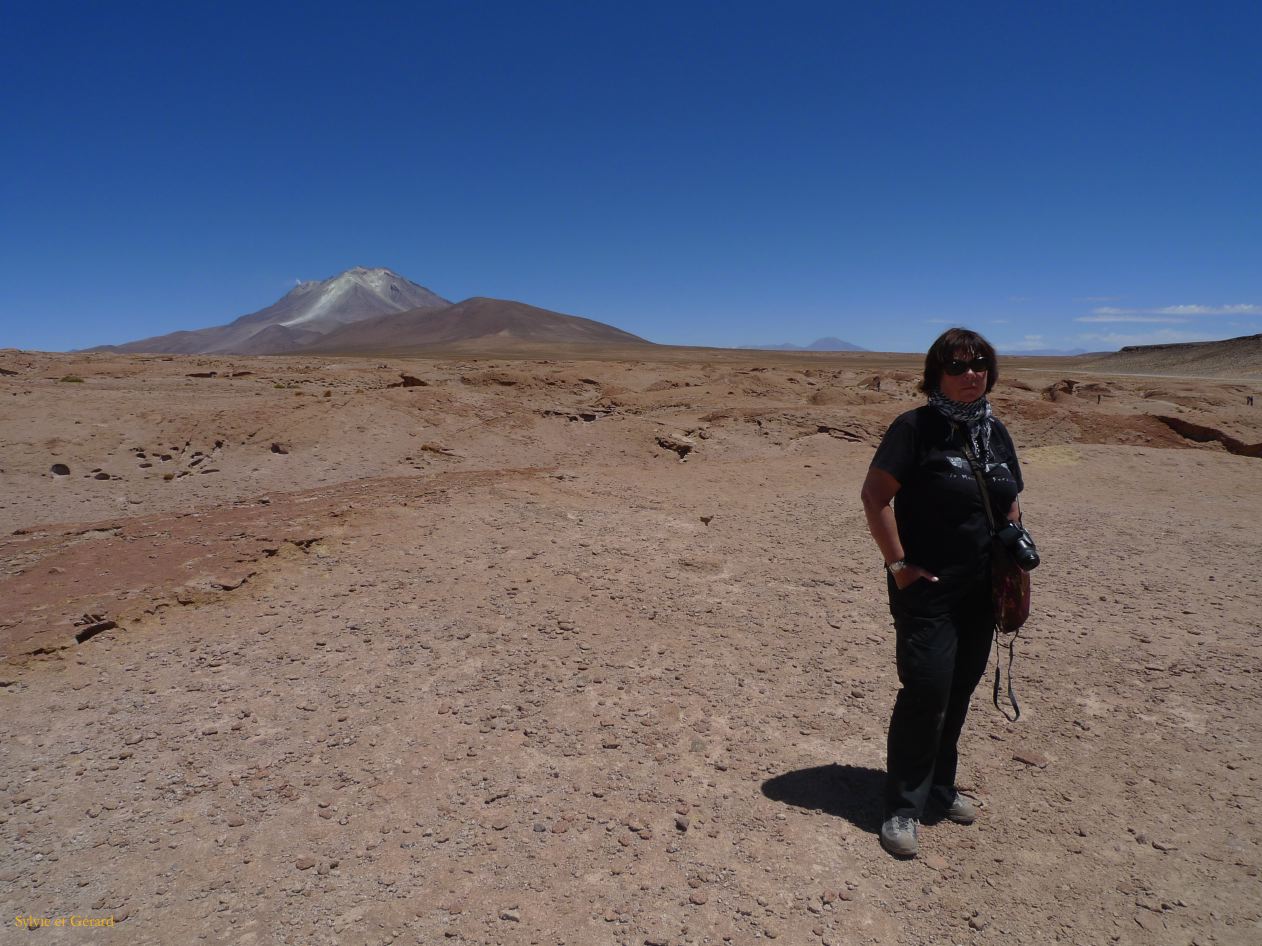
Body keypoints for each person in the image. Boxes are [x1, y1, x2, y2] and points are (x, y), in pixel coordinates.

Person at [859, 327, 1025, 858]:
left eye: (979, 363)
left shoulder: (994, 431)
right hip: (928, 589)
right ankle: (902, 806)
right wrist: (899, 564)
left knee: (959, 692)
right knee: (926, 691)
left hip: (981, 588)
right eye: (957, 366)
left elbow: (1009, 497)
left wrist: (1012, 551)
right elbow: (875, 496)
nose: (970, 373)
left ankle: (939, 786)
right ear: (936, 374)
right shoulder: (914, 428)